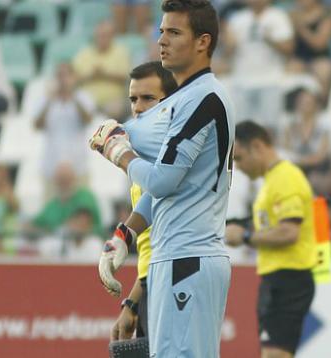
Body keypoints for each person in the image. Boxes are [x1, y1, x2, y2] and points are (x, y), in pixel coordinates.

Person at [90, 1, 235, 357]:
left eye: (173, 32)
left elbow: (162, 181)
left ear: (203, 42)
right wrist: (125, 236)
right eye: (161, 32)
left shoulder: (201, 97)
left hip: (187, 258)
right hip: (182, 259)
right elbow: (168, 191)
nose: (162, 41)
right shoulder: (191, 97)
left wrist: (118, 152)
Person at [225, 120, 317, 358]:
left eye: (239, 158)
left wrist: (244, 236)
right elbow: (271, 224)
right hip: (278, 279)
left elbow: (289, 232)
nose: (239, 166)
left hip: (289, 279)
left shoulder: (286, 177)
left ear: (257, 146)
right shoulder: (273, 179)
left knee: (275, 354)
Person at [109, 61, 178, 342]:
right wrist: (133, 302)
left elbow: (166, 245)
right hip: (154, 280)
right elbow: (151, 246)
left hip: (174, 280)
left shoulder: (173, 159)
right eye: (133, 99)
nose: (137, 107)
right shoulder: (143, 162)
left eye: (148, 98)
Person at [33, 62, 95, 184]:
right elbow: (36, 125)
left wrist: (73, 96)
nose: (63, 79)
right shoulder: (46, 99)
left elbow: (88, 119)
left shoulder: (83, 97)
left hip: (78, 165)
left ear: (74, 77)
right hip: (51, 166)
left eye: (66, 75)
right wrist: (49, 100)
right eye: (59, 75)